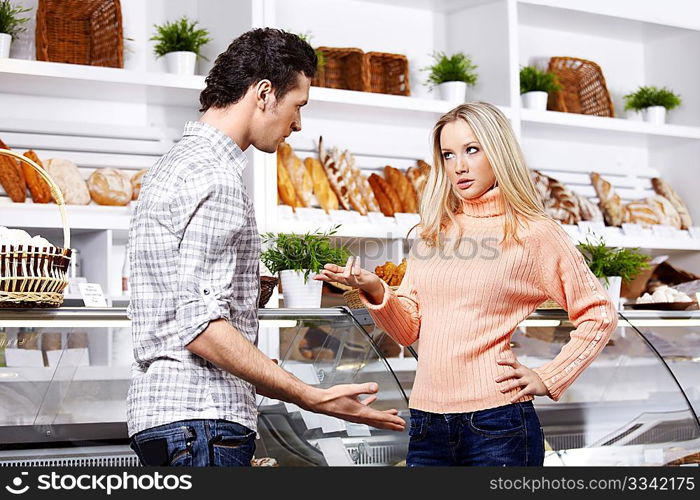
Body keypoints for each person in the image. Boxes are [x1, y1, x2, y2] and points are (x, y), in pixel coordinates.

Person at [127, 28, 405, 467]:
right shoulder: (217, 179)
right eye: (298, 106)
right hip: (203, 421)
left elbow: (181, 313)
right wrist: (310, 396)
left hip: (170, 419)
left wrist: (262, 366)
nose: (298, 124)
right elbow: (200, 327)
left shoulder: (173, 166)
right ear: (263, 93)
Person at [316, 102, 618, 467]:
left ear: (499, 152)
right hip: (427, 423)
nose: (458, 165)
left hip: (499, 424)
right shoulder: (432, 233)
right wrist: (377, 290)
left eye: (471, 150)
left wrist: (549, 375)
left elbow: (598, 312)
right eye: (448, 154)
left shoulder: (534, 233)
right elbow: (409, 329)